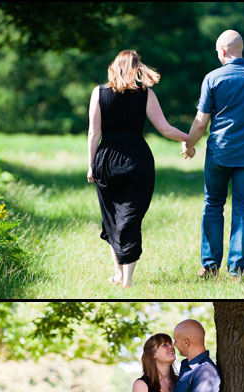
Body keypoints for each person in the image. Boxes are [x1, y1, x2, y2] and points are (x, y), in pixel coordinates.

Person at [87, 50, 193, 288]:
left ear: (114, 66)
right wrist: (189, 139)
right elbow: (164, 128)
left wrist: (91, 165)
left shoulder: (98, 93)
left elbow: (94, 133)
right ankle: (127, 278)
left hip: (107, 161)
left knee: (112, 219)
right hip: (138, 161)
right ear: (136, 67)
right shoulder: (146, 94)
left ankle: (118, 274)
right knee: (131, 219)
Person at [183, 30, 244, 279]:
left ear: (222, 50)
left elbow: (201, 122)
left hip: (219, 153)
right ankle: (237, 270)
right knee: (243, 208)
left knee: (213, 205)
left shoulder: (212, 78)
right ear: (240, 49)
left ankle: (210, 266)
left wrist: (189, 144)